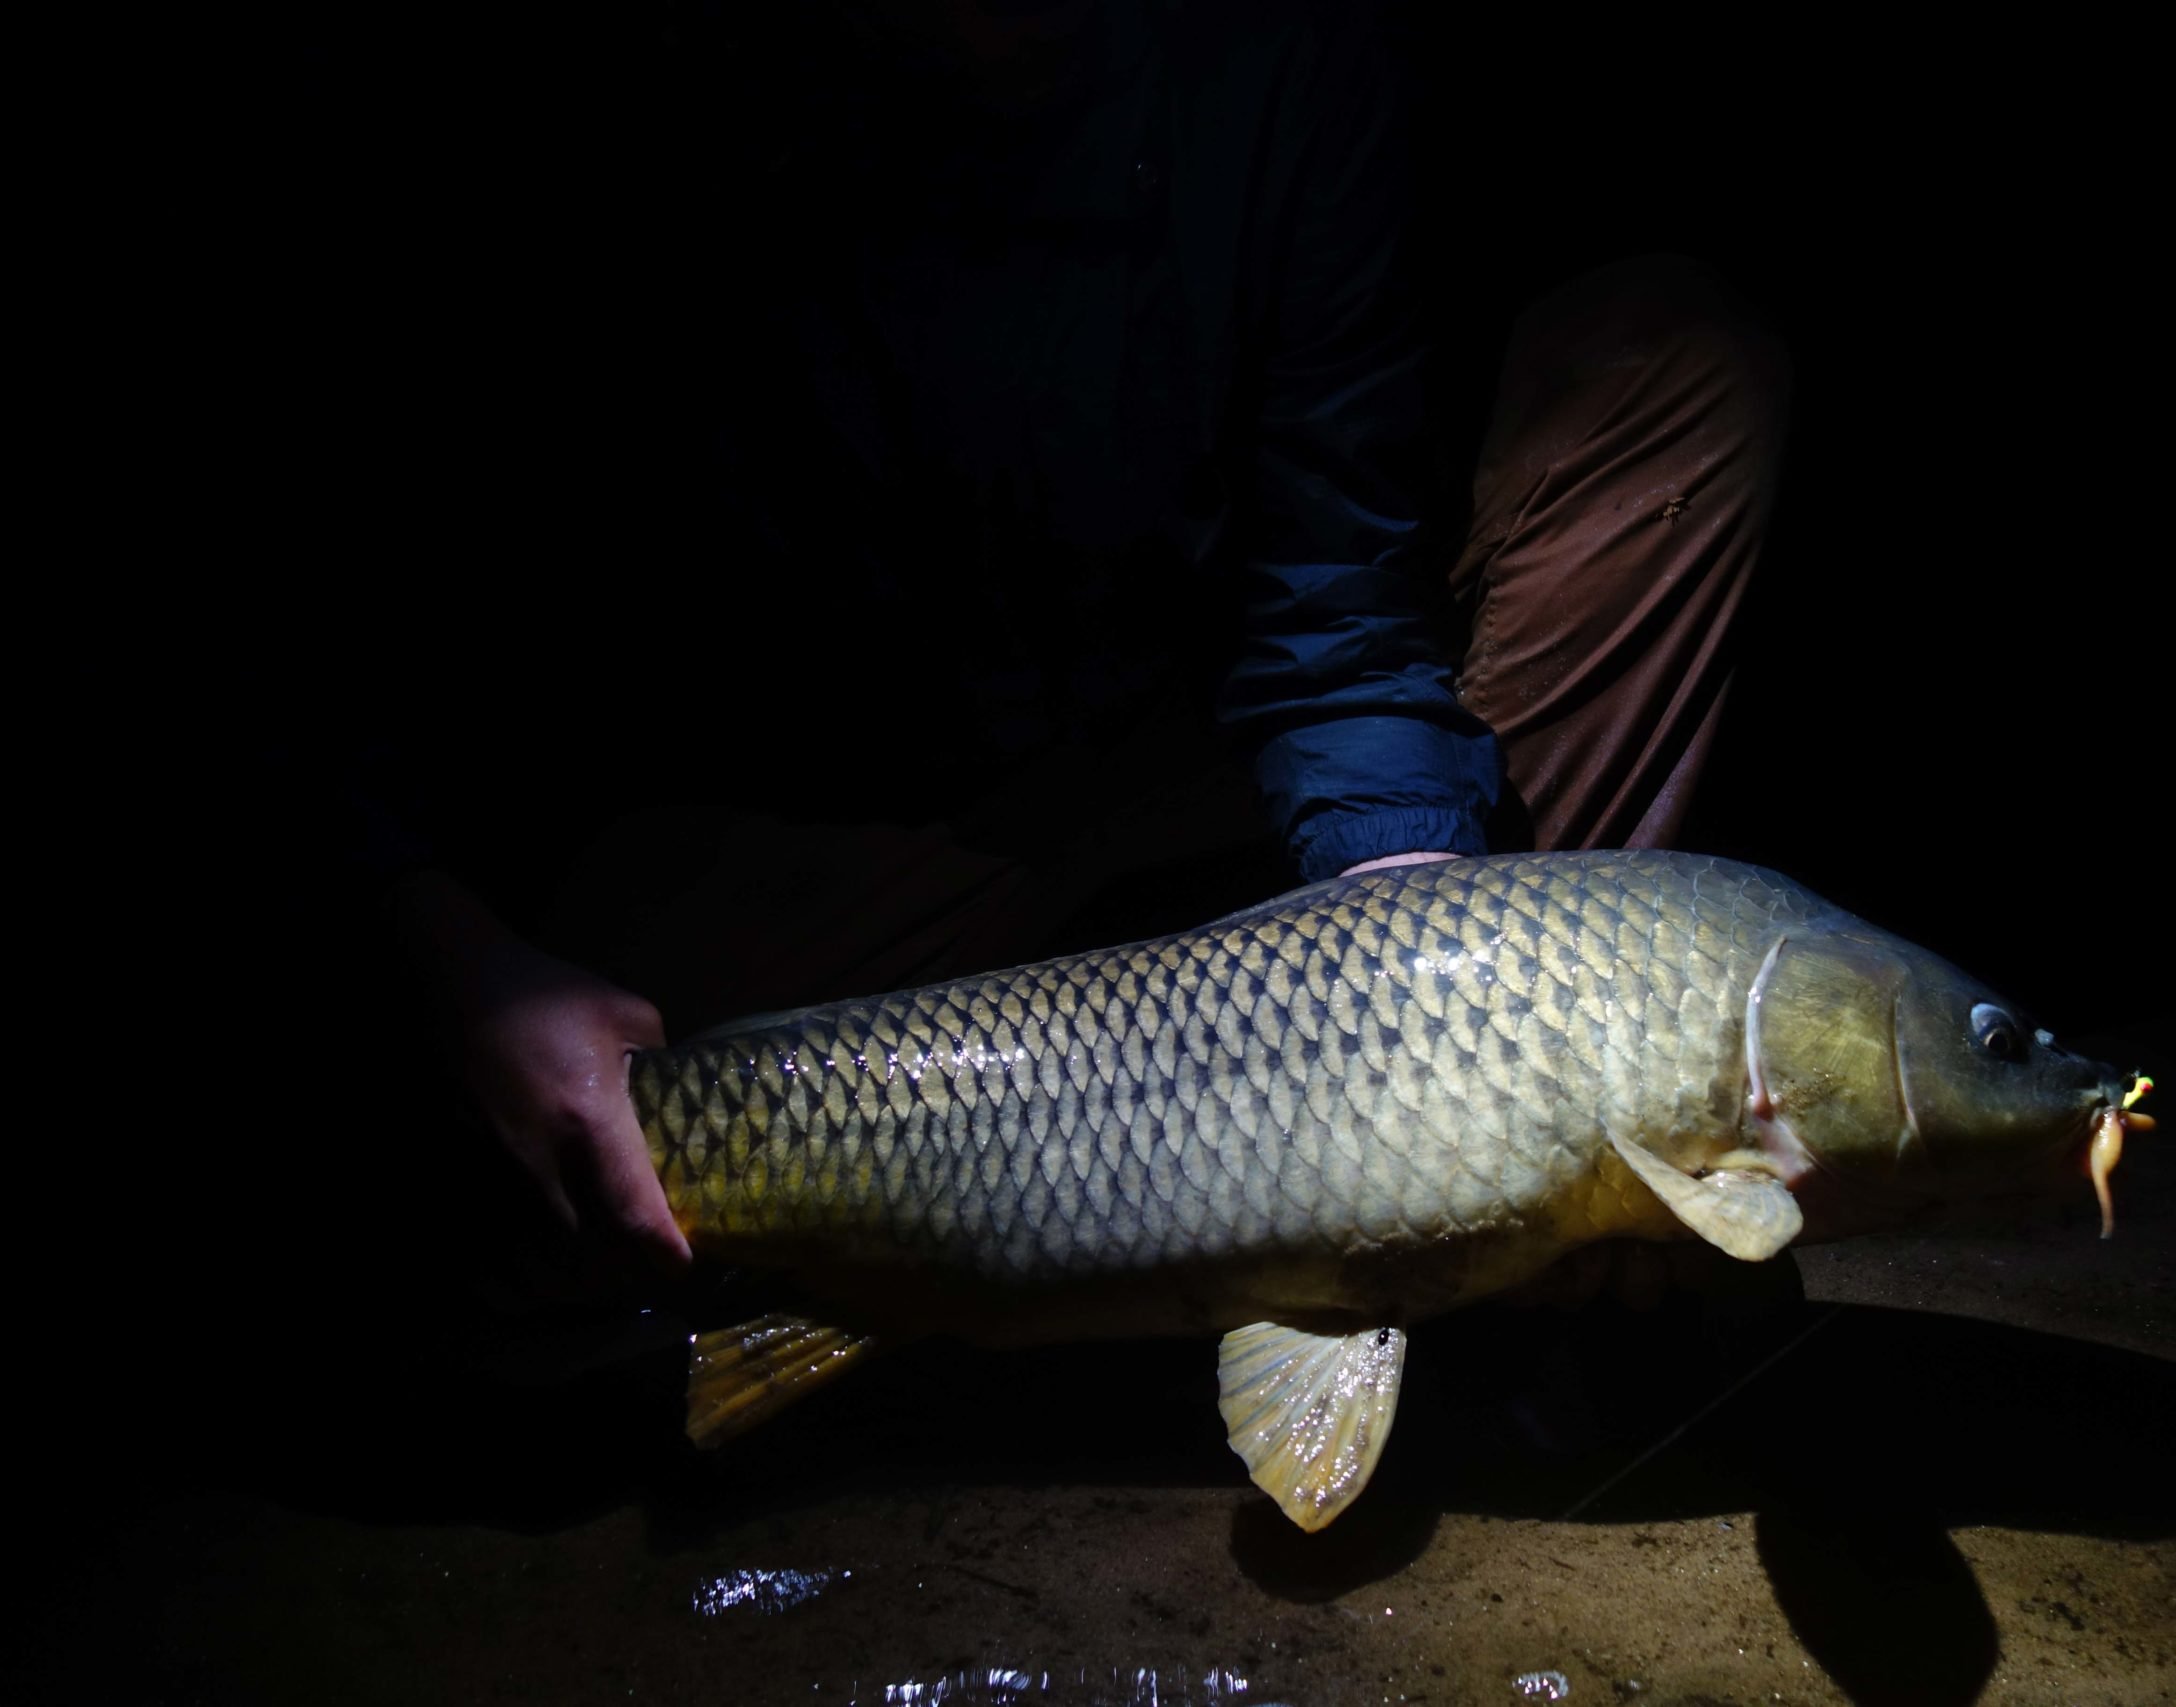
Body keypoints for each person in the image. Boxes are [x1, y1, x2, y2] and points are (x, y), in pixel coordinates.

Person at [350, 0, 1790, 1300]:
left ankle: (1461, 1217)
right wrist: (445, 945)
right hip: (838, 810)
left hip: (1180, 727)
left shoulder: (1284, 59)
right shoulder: (658, 84)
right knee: (525, 1234)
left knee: (1671, 371)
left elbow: (1331, 592)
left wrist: (1401, 932)